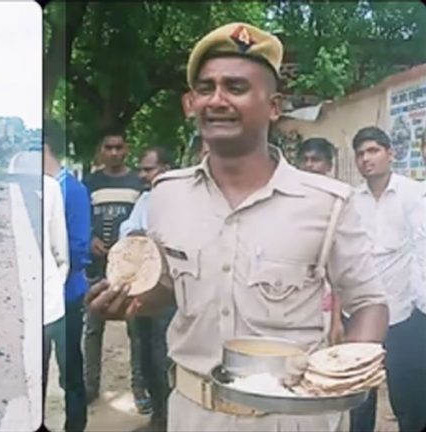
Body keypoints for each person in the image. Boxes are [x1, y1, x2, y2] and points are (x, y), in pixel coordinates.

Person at [85, 22, 389, 432]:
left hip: (295, 418)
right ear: (190, 103)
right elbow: (171, 292)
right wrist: (129, 300)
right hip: (193, 414)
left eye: (236, 87)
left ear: (274, 106)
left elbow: (369, 302)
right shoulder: (166, 197)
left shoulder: (328, 202)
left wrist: (346, 369)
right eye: (206, 89)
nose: (217, 100)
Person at [347, 126, 426, 432]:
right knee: (359, 397)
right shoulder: (352, 201)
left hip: (405, 314)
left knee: (409, 398)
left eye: (373, 151)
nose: (366, 159)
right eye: (360, 153)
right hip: (362, 315)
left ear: (390, 154)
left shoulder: (415, 194)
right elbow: (347, 259)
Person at [82, 131, 149, 412]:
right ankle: (89, 387)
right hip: (96, 269)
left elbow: (143, 222)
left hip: (130, 273)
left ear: (126, 149)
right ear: (101, 150)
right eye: (107, 147)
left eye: (118, 147)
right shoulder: (91, 182)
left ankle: (140, 388)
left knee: (137, 330)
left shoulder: (138, 183)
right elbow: (80, 217)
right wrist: (88, 238)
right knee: (93, 329)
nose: (113, 152)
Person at [118, 146, 176, 431]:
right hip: (140, 288)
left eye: (148, 169)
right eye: (141, 169)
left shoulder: (182, 200)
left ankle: (169, 417)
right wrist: (138, 235)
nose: (142, 174)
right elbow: (128, 230)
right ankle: (157, 415)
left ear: (165, 169)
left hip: (168, 293)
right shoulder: (145, 199)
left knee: (163, 354)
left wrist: (148, 239)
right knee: (143, 352)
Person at [42, 119, 90, 432]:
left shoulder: (71, 190)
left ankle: (75, 424)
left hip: (68, 294)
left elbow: (78, 247)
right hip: (47, 294)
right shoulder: (46, 187)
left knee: (70, 369)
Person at [295, 138, 345, 347]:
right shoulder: (291, 198)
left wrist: (337, 321)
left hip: (324, 308)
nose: (309, 165)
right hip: (290, 306)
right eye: (305, 160)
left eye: (316, 160)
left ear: (329, 166)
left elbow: (340, 275)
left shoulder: (339, 202)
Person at [42, 171, 71, 427]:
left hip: (48, 300)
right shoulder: (48, 187)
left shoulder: (50, 188)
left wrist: (55, 281)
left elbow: (60, 248)